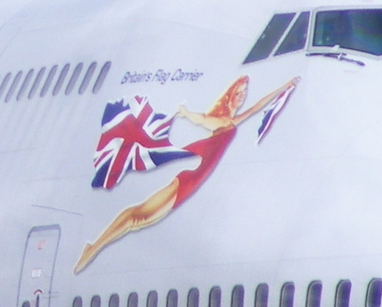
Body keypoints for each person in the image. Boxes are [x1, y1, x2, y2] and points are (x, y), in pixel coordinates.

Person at [74, 74, 298, 273]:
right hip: (189, 177)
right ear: (229, 96)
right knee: (137, 218)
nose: (241, 97)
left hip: (193, 183)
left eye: (244, 93)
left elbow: (257, 106)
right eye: (238, 93)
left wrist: (285, 86)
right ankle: (92, 248)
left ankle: (93, 247)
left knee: (141, 219)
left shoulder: (230, 121)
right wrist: (186, 113)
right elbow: (201, 119)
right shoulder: (219, 121)